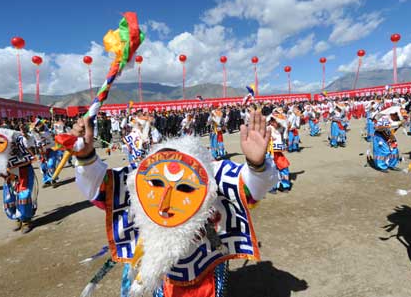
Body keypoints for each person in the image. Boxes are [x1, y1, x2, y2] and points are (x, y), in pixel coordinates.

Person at [67, 111, 278, 296]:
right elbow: (104, 187)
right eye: (157, 185)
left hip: (207, 271)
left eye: (185, 188)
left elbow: (248, 188)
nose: (166, 204)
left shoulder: (212, 178)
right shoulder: (139, 180)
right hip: (165, 275)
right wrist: (87, 159)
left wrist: (256, 165)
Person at [266, 111, 291, 193]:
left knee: (284, 167)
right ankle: (272, 187)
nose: (278, 123)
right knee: (271, 170)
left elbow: (287, 124)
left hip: (278, 152)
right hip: (270, 153)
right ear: (272, 121)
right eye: (277, 121)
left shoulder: (281, 128)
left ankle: (285, 185)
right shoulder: (268, 128)